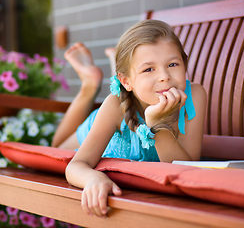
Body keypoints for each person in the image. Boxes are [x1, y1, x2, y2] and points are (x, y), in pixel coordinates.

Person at [53, 20, 207, 217]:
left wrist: (158, 125)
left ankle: (121, 70)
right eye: (149, 69)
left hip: (133, 92)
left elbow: (185, 169)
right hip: (105, 122)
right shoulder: (114, 105)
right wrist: (93, 178)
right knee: (56, 145)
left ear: (185, 65)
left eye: (173, 64)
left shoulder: (195, 95)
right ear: (126, 81)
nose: (165, 76)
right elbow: (75, 165)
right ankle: (89, 84)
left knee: (140, 86)